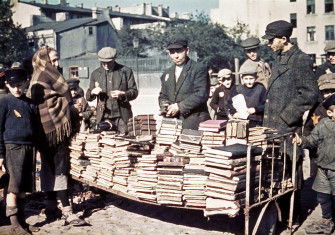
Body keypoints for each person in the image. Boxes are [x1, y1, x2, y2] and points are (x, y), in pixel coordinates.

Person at [262, 20, 319, 224]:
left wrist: (286, 117)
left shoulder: (300, 60)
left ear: (284, 39)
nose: (269, 44)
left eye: (271, 40)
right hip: (273, 127)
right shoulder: (280, 58)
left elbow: (310, 94)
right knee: (277, 173)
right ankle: (281, 216)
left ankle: (293, 217)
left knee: (290, 173)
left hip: (286, 128)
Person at [27, 46, 86, 226]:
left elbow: (60, 96)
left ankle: (52, 207)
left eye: (58, 59)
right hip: (49, 130)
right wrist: (71, 108)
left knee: (53, 167)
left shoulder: (47, 75)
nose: (57, 63)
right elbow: (39, 102)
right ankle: (67, 210)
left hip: (52, 130)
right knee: (57, 168)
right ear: (44, 60)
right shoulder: (41, 76)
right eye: (53, 59)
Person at [0, 69, 39, 234]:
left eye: (20, 85)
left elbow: (36, 130)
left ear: (25, 84)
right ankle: (14, 224)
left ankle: (22, 221)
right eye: (13, 86)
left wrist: (37, 152)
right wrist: (0, 154)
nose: (17, 89)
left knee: (24, 187)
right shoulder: (4, 102)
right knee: (13, 187)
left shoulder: (30, 103)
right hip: (12, 148)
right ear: (7, 85)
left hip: (28, 148)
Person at [293, 94, 335, 234]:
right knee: (323, 195)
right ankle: (327, 219)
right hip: (323, 167)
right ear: (330, 113)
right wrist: (302, 141)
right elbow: (313, 139)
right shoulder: (324, 124)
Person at [158, 37, 210, 130]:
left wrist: (179, 107)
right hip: (173, 123)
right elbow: (163, 95)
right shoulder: (167, 73)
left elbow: (201, 94)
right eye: (172, 52)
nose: (176, 56)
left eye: (179, 51)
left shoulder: (199, 68)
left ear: (187, 50)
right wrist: (165, 106)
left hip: (195, 122)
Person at [86, 47, 138, 135]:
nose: (106, 65)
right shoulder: (95, 74)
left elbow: (134, 92)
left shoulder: (126, 71)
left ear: (114, 59)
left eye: (109, 62)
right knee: (105, 144)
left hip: (122, 116)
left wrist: (123, 94)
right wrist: (92, 92)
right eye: (103, 62)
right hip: (103, 117)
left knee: (124, 141)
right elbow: (88, 97)